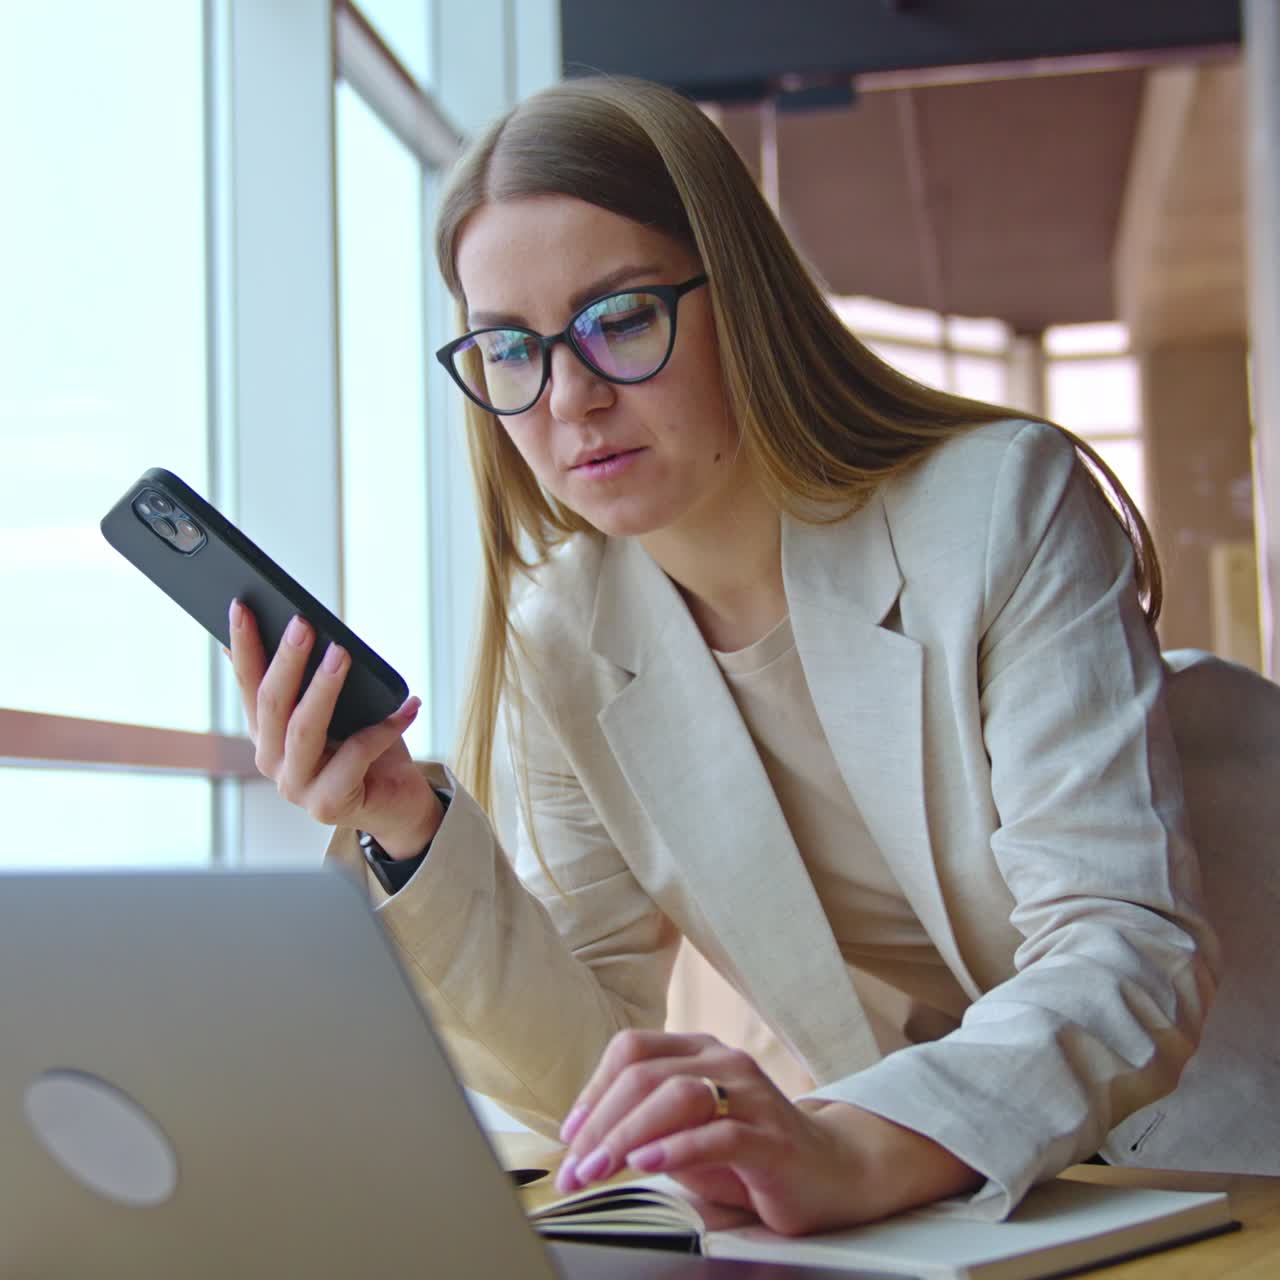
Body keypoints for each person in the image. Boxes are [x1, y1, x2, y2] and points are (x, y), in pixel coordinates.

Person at [226, 75, 1228, 1233]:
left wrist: (846, 1146)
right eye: (510, 347)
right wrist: (402, 822)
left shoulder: (1000, 504)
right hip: (1006, 1185)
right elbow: (596, 1077)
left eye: (619, 319)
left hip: (1229, 1094)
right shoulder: (569, 635)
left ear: (740, 296)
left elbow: (1124, 941)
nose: (570, 397)